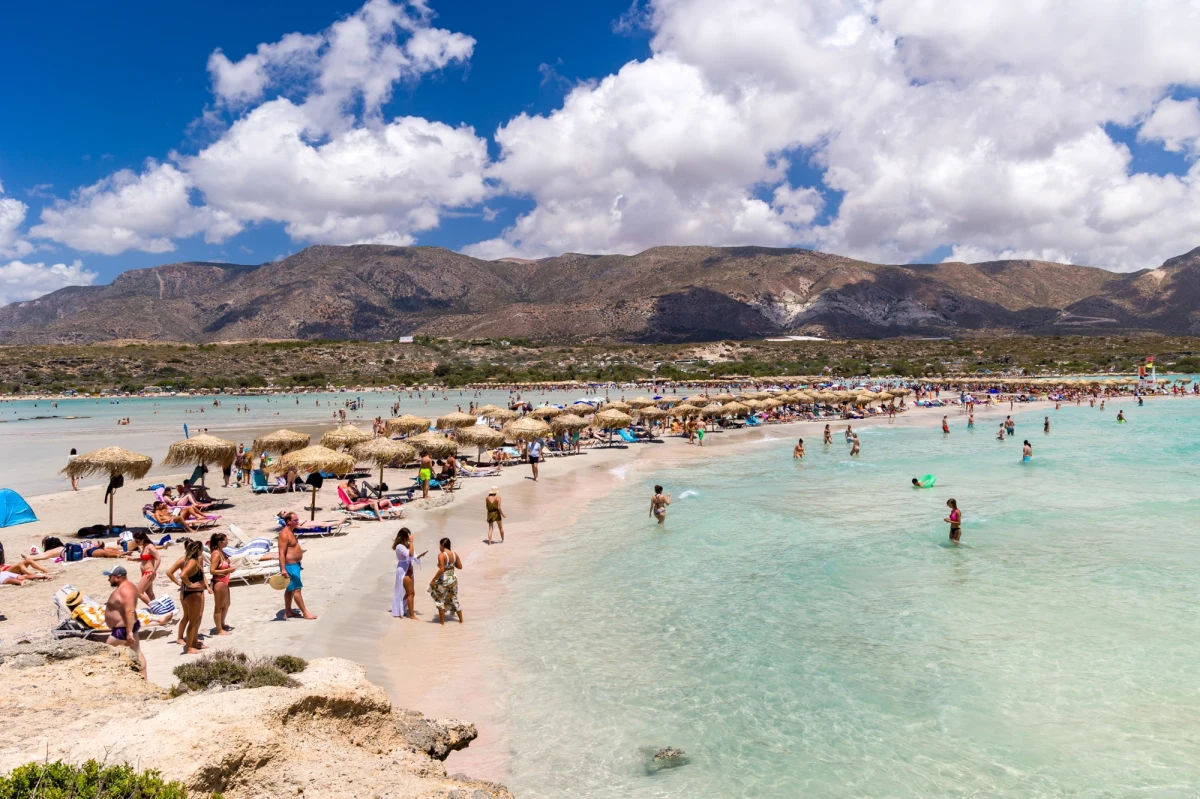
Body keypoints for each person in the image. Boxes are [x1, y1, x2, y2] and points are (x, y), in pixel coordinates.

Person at [103, 566, 148, 678]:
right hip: (127, 627)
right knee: (137, 652)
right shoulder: (128, 586)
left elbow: (130, 611)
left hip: (123, 629)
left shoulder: (125, 590)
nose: (108, 579)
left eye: (110, 576)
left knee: (105, 653)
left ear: (118, 577)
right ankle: (144, 679)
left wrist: (128, 632)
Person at [278, 512, 317, 620]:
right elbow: (281, 553)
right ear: (288, 521)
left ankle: (288, 611)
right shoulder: (284, 534)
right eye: (295, 520)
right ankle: (305, 613)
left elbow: (291, 548)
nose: (297, 522)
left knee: (290, 589)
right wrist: (283, 569)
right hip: (289, 566)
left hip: (294, 564)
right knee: (297, 589)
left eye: (297, 520)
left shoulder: (291, 532)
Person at [175, 539, 209, 654]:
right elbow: (182, 574)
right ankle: (189, 647)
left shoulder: (194, 561)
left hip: (194, 593)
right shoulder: (192, 562)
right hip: (192, 594)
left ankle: (193, 643)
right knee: (192, 621)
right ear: (198, 550)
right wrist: (190, 584)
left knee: (195, 619)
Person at [391, 528, 425, 619]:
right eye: (408, 536)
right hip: (403, 571)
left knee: (410, 593)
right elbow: (409, 554)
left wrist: (419, 556)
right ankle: (412, 615)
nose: (410, 538)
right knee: (411, 593)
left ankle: (400, 608)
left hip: (409, 569)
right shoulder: (400, 546)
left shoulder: (406, 545)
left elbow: (413, 555)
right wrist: (411, 542)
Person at [429, 537, 463, 625]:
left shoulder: (441, 555)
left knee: (440, 600)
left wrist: (433, 580)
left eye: (439, 545)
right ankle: (461, 621)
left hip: (444, 579)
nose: (439, 547)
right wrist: (451, 565)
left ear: (442, 545)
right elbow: (460, 566)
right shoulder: (454, 554)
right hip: (453, 578)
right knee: (454, 599)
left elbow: (441, 570)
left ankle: (442, 624)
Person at [209, 532, 234, 635]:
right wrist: (227, 571)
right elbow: (212, 571)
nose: (227, 542)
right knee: (218, 606)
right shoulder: (215, 554)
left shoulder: (221, 552)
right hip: (219, 582)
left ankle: (222, 624)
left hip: (225, 581)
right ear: (220, 542)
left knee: (227, 604)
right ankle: (219, 629)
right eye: (226, 540)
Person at [127, 530, 160, 602]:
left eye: (138, 541)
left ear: (143, 539)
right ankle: (158, 608)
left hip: (149, 572)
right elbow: (144, 559)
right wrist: (133, 559)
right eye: (136, 541)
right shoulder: (144, 547)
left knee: (138, 592)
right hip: (145, 573)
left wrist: (153, 571)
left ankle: (154, 608)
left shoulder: (150, 547)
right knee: (150, 594)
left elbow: (158, 559)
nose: (137, 543)